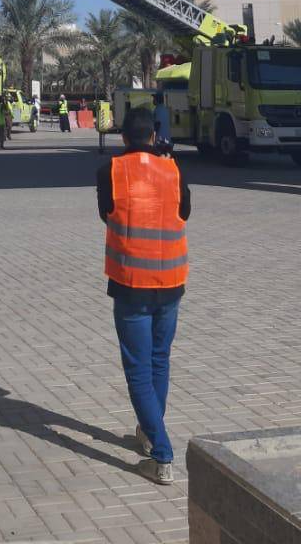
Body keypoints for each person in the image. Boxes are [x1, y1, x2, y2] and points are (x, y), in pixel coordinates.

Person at [96, 106, 190, 486]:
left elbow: (106, 214)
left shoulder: (111, 170)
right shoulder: (174, 169)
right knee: (158, 360)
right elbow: (185, 211)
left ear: (123, 137)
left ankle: (162, 454)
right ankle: (150, 433)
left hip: (132, 284)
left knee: (138, 370)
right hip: (170, 283)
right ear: (153, 135)